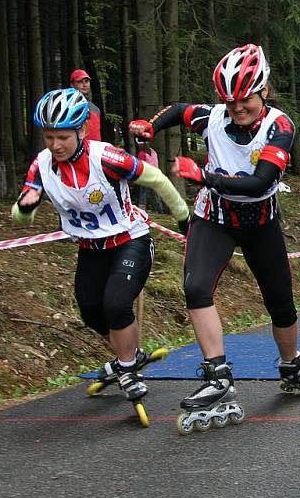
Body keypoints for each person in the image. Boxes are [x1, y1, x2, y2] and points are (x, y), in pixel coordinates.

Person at [128, 43, 300, 433]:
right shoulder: (213, 117)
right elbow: (179, 111)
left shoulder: (279, 126)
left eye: (244, 98)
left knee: (280, 301)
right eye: (228, 101)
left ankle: (291, 365)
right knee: (195, 288)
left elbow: (261, 181)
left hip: (259, 219)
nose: (236, 108)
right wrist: (151, 124)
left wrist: (204, 176)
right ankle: (217, 374)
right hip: (214, 216)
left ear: (263, 90)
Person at [12, 87, 190, 409]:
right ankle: (130, 358)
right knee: (91, 309)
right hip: (91, 248)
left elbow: (158, 180)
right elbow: (22, 214)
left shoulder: (107, 158)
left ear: (81, 130)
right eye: (49, 137)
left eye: (63, 137)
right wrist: (26, 206)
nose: (55, 145)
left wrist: (184, 219)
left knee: (117, 304)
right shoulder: (41, 165)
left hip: (130, 240)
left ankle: (127, 370)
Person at [69, 69, 101, 142]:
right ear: (72, 84)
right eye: (79, 82)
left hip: (94, 149)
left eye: (86, 81)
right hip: (77, 149)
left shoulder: (95, 109)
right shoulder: (68, 107)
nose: (84, 85)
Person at [135, 141, 164, 212]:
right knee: (155, 194)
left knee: (143, 193)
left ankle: (142, 210)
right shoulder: (153, 152)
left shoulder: (142, 153)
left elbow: (140, 165)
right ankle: (160, 209)